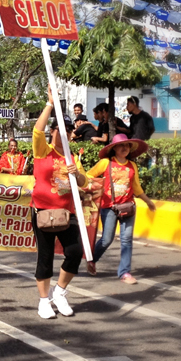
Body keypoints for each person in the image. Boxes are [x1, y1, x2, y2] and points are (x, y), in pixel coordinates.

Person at [30, 88, 88, 319]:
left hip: (67, 213)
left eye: (67, 129)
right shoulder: (43, 151)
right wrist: (49, 104)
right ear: (53, 131)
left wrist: (76, 174)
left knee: (75, 252)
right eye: (58, 129)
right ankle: (44, 301)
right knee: (45, 258)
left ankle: (60, 292)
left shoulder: (73, 159)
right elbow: (37, 130)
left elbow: (84, 182)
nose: (62, 133)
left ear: (71, 134)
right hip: (43, 212)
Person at [86, 134, 157, 283]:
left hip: (128, 207)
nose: (125, 148)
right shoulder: (106, 163)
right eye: (121, 146)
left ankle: (125, 272)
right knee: (106, 239)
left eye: (127, 146)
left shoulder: (132, 166)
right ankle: (91, 259)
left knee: (126, 240)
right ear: (114, 148)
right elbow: (89, 176)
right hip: (109, 207)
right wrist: (96, 188)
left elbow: (136, 188)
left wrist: (148, 202)